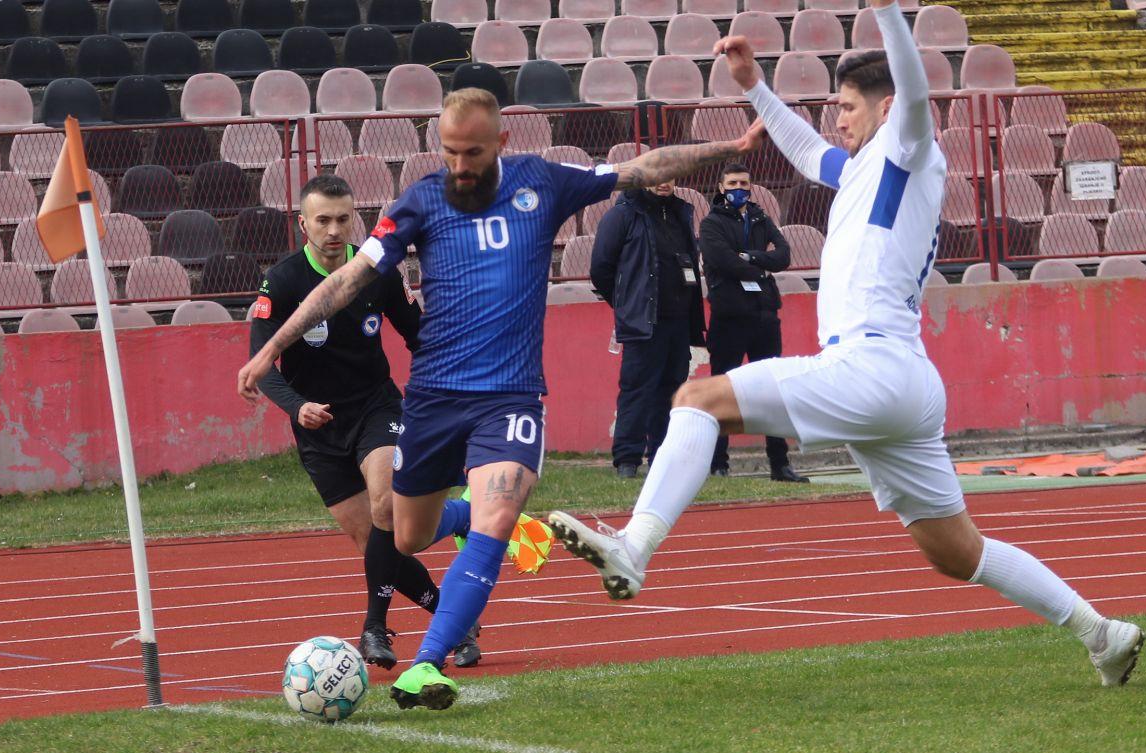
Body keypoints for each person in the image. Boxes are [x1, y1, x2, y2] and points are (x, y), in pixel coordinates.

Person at [548, 0, 1144, 688]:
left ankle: (634, 548)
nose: (838, 117)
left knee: (697, 396)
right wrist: (754, 87)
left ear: (885, 109)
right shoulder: (867, 168)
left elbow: (914, 91)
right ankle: (1101, 633)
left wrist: (889, 13)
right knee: (958, 553)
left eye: (848, 105)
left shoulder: (910, 145)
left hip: (873, 365)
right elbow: (806, 152)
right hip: (902, 383)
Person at [237, 88, 767, 710]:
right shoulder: (421, 202)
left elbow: (641, 170)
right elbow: (350, 278)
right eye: (450, 151)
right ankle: (462, 521)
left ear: (501, 144)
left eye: (473, 152)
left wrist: (726, 148)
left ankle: (426, 664)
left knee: (498, 515)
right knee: (407, 535)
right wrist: (272, 346)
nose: (460, 165)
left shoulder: (542, 183)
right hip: (434, 398)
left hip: (511, 395)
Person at [249, 175, 484, 671]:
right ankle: (456, 620)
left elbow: (418, 335)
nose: (334, 230)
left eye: (343, 219)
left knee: (385, 508)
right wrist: (297, 407)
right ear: (302, 223)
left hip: (378, 409)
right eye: (323, 220)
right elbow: (262, 363)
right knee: (377, 545)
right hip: (318, 428)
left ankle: (374, 627)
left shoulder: (378, 271)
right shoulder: (284, 280)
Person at [590, 178, 706, 479]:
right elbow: (600, 267)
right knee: (637, 390)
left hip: (679, 320)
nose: (665, 182)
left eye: (672, 176)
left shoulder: (680, 212)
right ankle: (627, 460)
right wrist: (628, 303)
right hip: (645, 321)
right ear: (645, 177)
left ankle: (663, 456)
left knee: (672, 390)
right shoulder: (623, 214)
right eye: (659, 176)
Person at [700, 162, 806, 483]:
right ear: (721, 187)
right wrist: (759, 264)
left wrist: (750, 257)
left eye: (744, 183)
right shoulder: (711, 224)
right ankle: (718, 463)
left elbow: (784, 254)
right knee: (723, 391)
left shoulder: (760, 217)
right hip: (729, 318)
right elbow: (722, 261)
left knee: (772, 393)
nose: (739, 188)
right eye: (732, 183)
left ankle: (779, 464)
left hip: (764, 315)